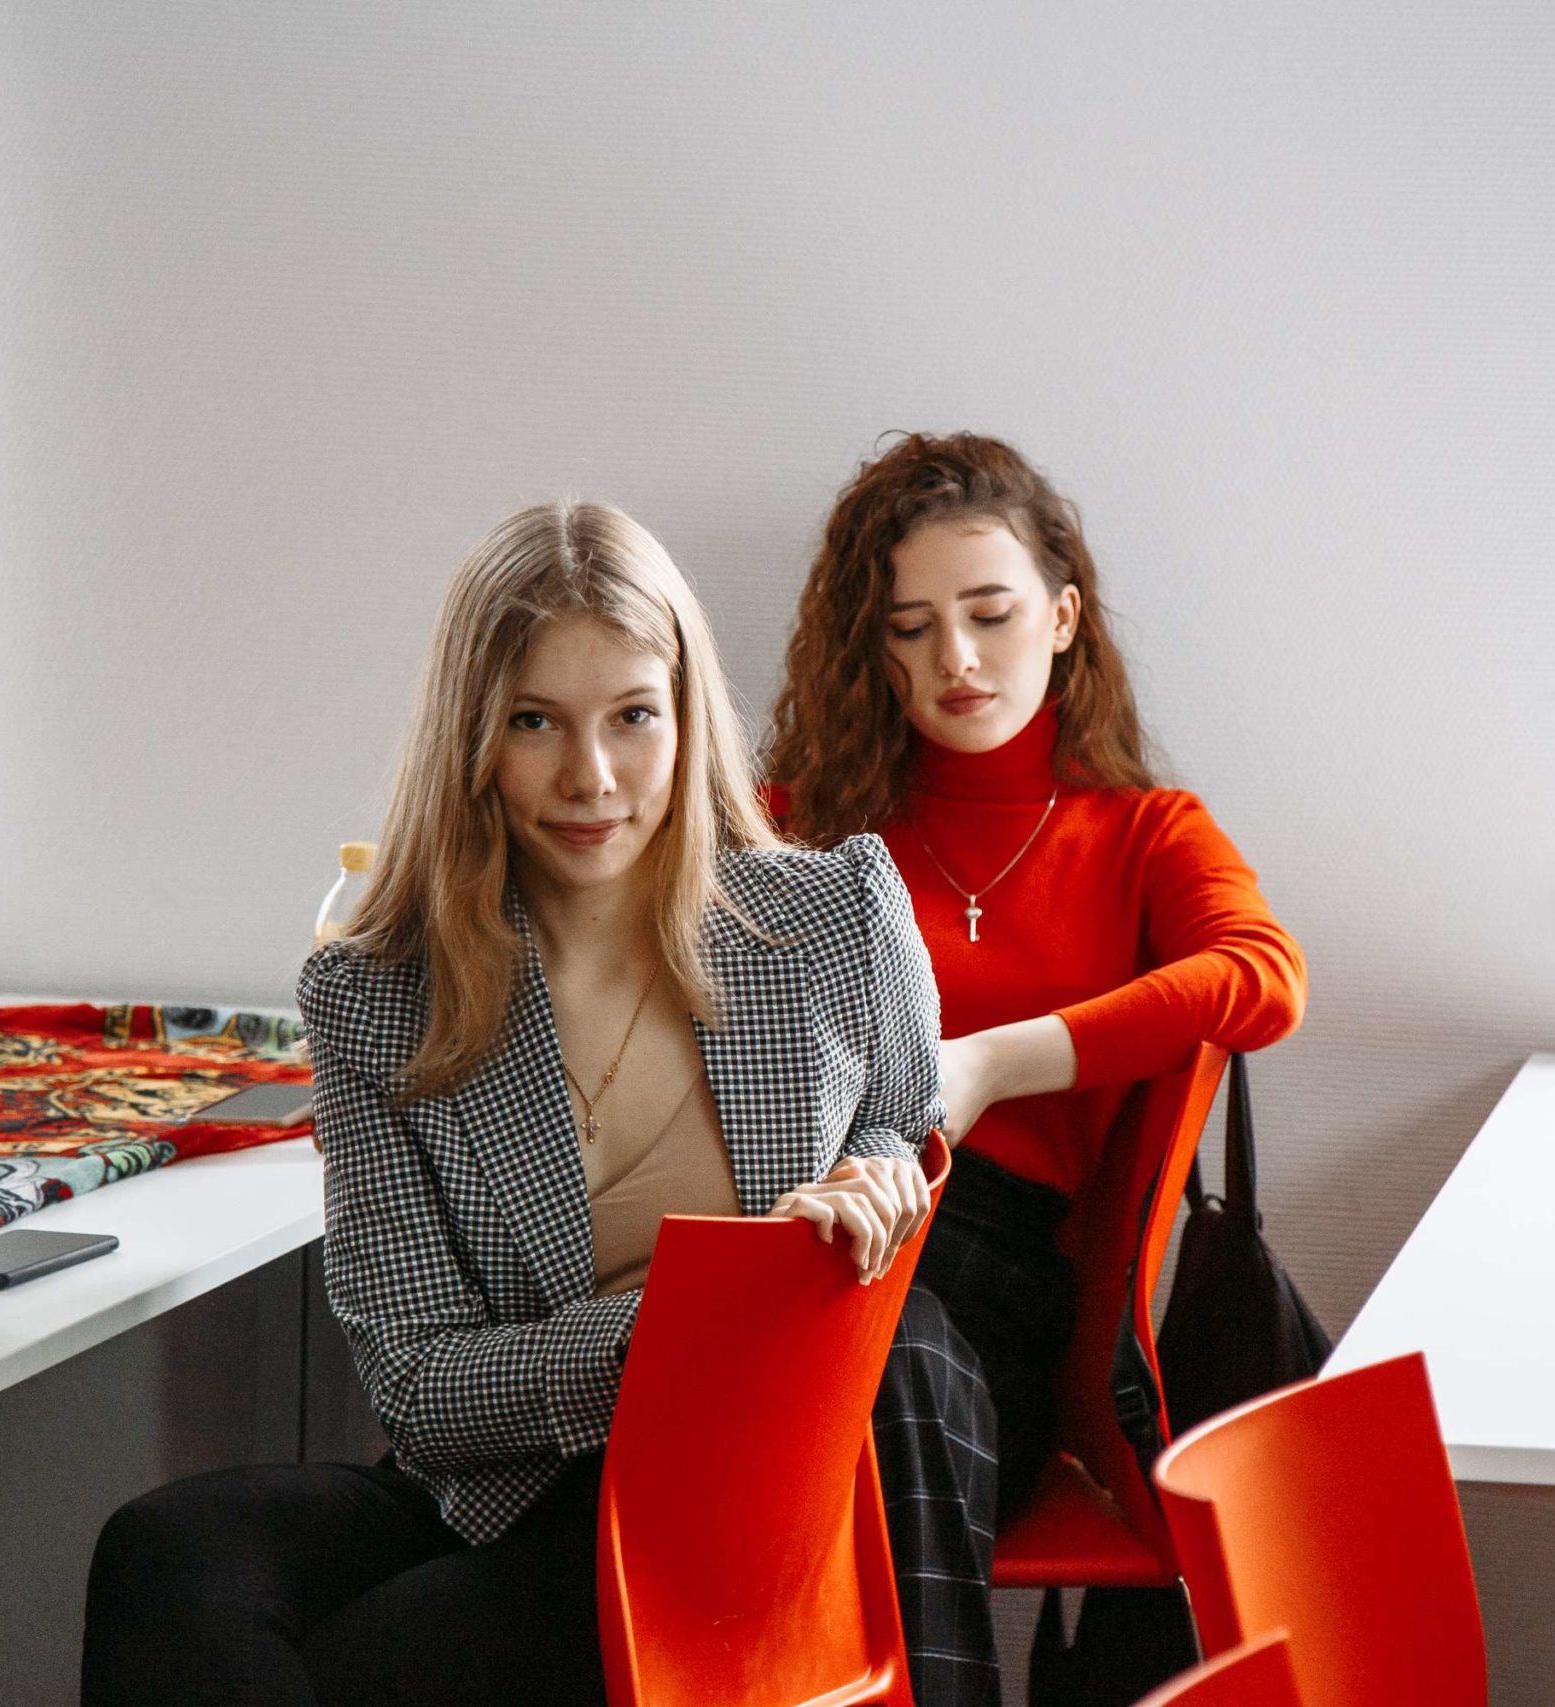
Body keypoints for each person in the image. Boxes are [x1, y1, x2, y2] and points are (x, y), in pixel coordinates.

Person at [81, 501, 969, 1706]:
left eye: (632, 717)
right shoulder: (379, 996)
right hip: (517, 1480)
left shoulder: (833, 919)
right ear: (473, 737)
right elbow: (419, 1390)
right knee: (164, 1553)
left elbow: (902, 1126)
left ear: (685, 715)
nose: (589, 777)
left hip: (739, 1500)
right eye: (534, 721)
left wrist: (875, 1179)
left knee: (362, 1668)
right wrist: (688, 1325)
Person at [765, 432, 1308, 1669]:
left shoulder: (1142, 835)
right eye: (908, 628)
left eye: (989, 614)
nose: (953, 660)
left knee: (895, 1374)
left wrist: (992, 1064)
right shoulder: (800, 828)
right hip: (796, 1237)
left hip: (989, 1289)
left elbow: (1263, 978)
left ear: (1061, 617)